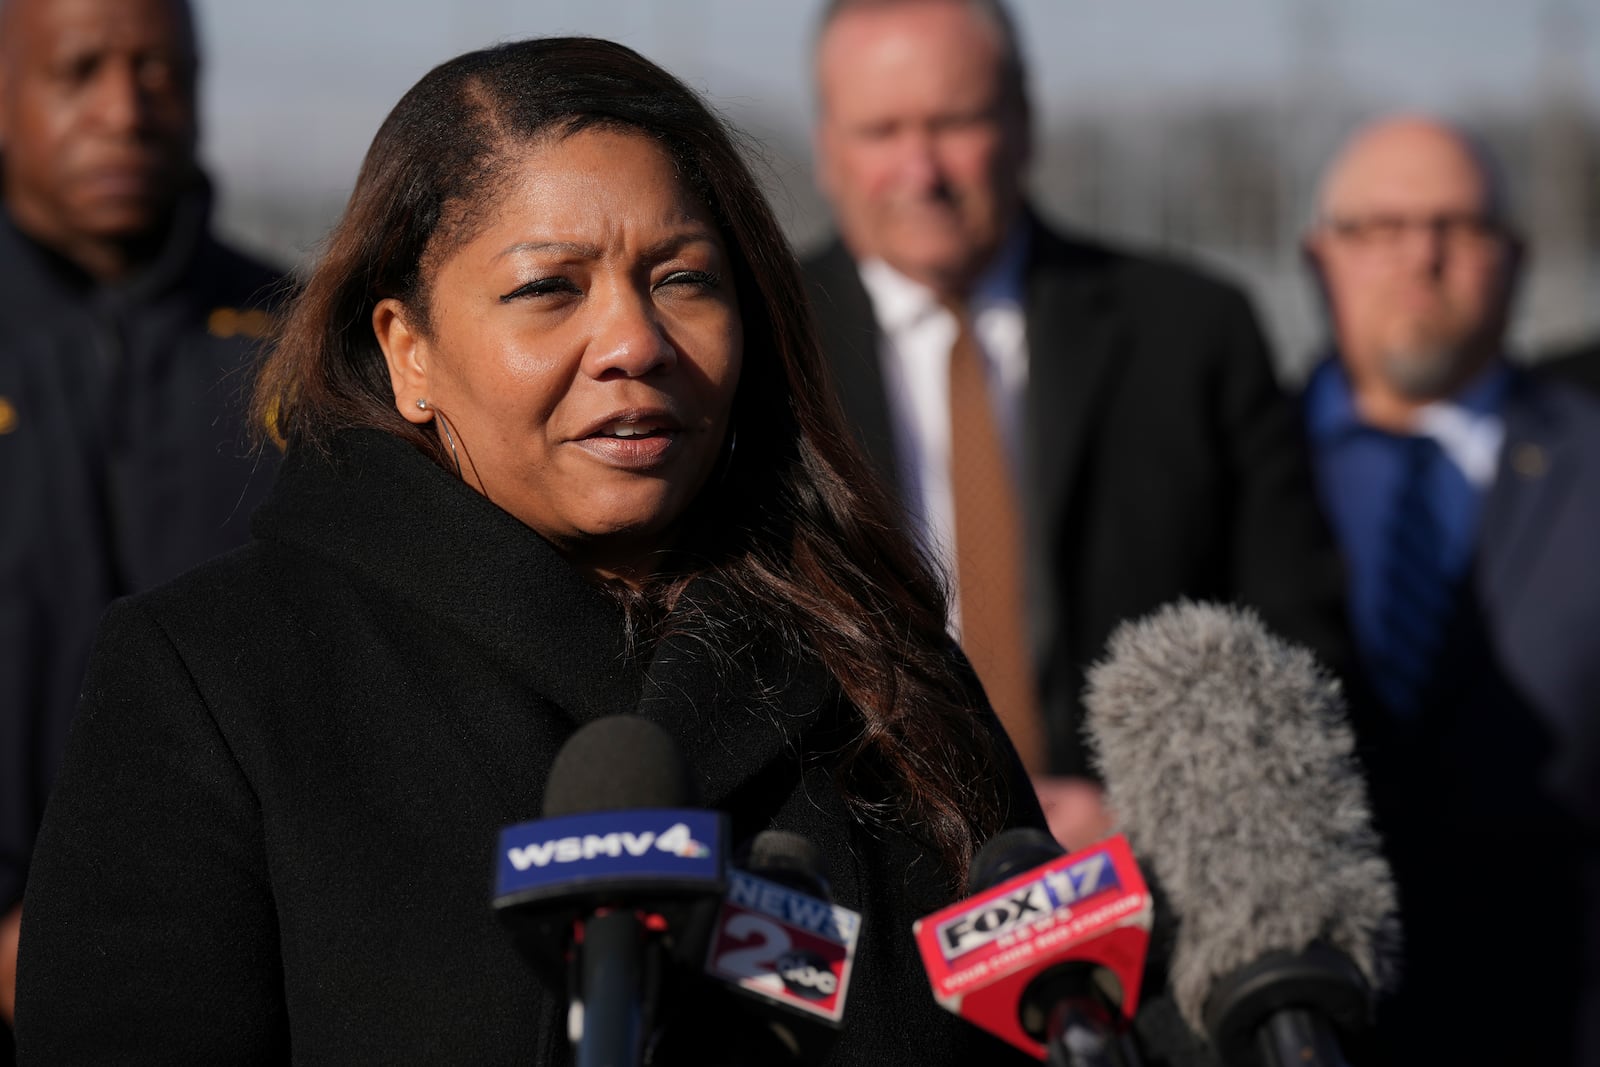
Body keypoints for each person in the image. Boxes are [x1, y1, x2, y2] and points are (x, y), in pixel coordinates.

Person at [13, 36, 1046, 1063]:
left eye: (682, 278)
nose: (634, 342)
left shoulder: (873, 657)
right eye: (549, 288)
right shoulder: (216, 678)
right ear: (405, 349)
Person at [802, 0, 1352, 847]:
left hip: (1136, 891)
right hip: (863, 895)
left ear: (1025, 121)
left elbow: (1294, 639)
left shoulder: (1193, 334)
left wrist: (1153, 812)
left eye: (954, 122)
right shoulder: (757, 352)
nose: (921, 169)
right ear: (827, 147)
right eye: (881, 130)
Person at [0, 0, 283, 1046]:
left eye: (159, 71)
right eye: (80, 72)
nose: (125, 109)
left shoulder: (300, 354)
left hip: (237, 969)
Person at [1300, 114, 1600, 1065]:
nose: (1421, 258)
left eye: (1459, 228)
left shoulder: (1592, 461)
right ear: (1319, 258)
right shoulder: (1229, 461)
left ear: (1515, 257)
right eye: (1380, 228)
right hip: (1303, 1016)